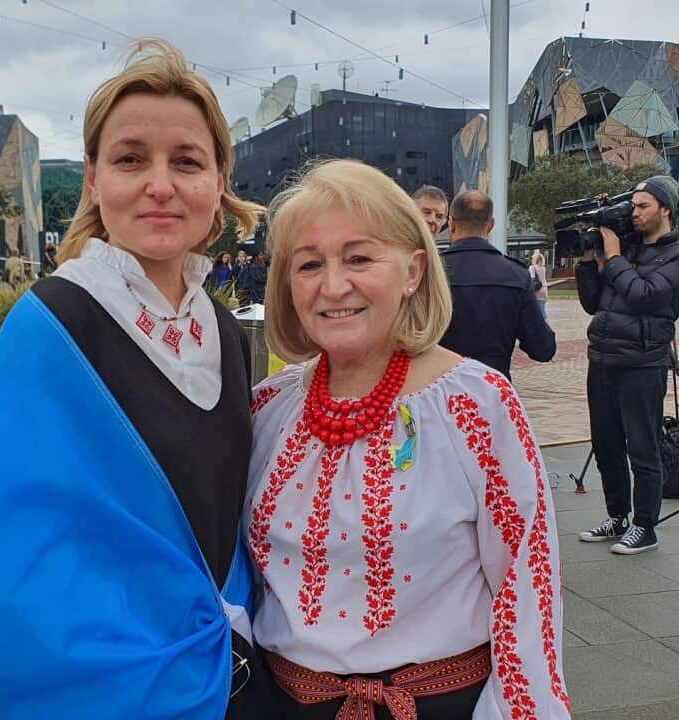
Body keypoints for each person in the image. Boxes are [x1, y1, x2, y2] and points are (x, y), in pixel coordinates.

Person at [0, 39, 279, 719]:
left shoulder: (220, 330)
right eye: (131, 158)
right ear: (96, 181)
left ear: (217, 184)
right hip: (107, 687)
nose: (160, 183)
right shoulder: (51, 324)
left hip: (225, 670)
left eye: (187, 161)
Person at [247, 159, 569, 720]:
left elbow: (527, 581)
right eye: (308, 264)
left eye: (359, 258)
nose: (332, 285)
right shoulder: (268, 407)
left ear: (414, 270)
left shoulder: (476, 403)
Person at [576, 176, 679, 555]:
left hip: (642, 364)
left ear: (666, 210)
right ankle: (618, 516)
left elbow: (644, 295)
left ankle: (646, 527)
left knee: (642, 449)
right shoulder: (625, 251)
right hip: (603, 360)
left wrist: (612, 256)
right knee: (606, 445)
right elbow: (593, 302)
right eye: (633, 206)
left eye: (643, 206)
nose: (635, 213)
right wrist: (587, 258)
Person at [438, 190, 555, 379]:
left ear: (451, 223)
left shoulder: (430, 271)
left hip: (438, 391)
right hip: (493, 392)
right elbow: (543, 348)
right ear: (491, 225)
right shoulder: (516, 274)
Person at [530, 250, 550, 319]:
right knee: (543, 310)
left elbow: (532, 279)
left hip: (537, 290)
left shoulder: (532, 267)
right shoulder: (543, 268)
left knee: (537, 312)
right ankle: (545, 324)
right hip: (544, 289)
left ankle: (543, 327)